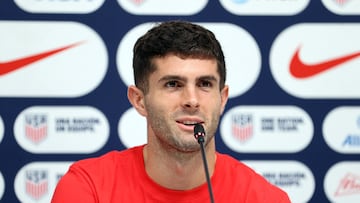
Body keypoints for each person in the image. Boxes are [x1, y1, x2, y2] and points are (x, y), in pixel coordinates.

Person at [51, 20, 290, 203]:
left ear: (223, 98)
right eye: (173, 84)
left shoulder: (264, 198)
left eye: (205, 84)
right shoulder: (89, 188)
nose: (192, 100)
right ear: (139, 100)